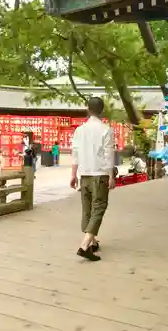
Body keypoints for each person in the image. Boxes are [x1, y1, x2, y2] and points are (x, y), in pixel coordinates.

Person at [70, 97, 115, 262]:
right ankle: (84, 245)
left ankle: (93, 242)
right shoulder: (106, 130)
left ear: (87, 109)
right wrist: (111, 176)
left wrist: (73, 175)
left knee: (87, 208)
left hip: (84, 175)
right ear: (102, 111)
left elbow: (75, 155)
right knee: (99, 207)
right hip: (100, 173)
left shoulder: (79, 130)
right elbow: (109, 155)